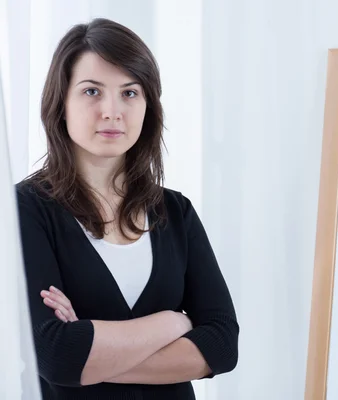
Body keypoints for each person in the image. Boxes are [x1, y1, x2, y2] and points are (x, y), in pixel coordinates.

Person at [15, 18, 238, 399]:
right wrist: (172, 323)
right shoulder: (25, 209)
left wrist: (91, 357)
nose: (112, 111)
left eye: (130, 93)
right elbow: (55, 355)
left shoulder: (174, 211)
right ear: (61, 103)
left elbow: (221, 345)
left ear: (148, 106)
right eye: (91, 92)